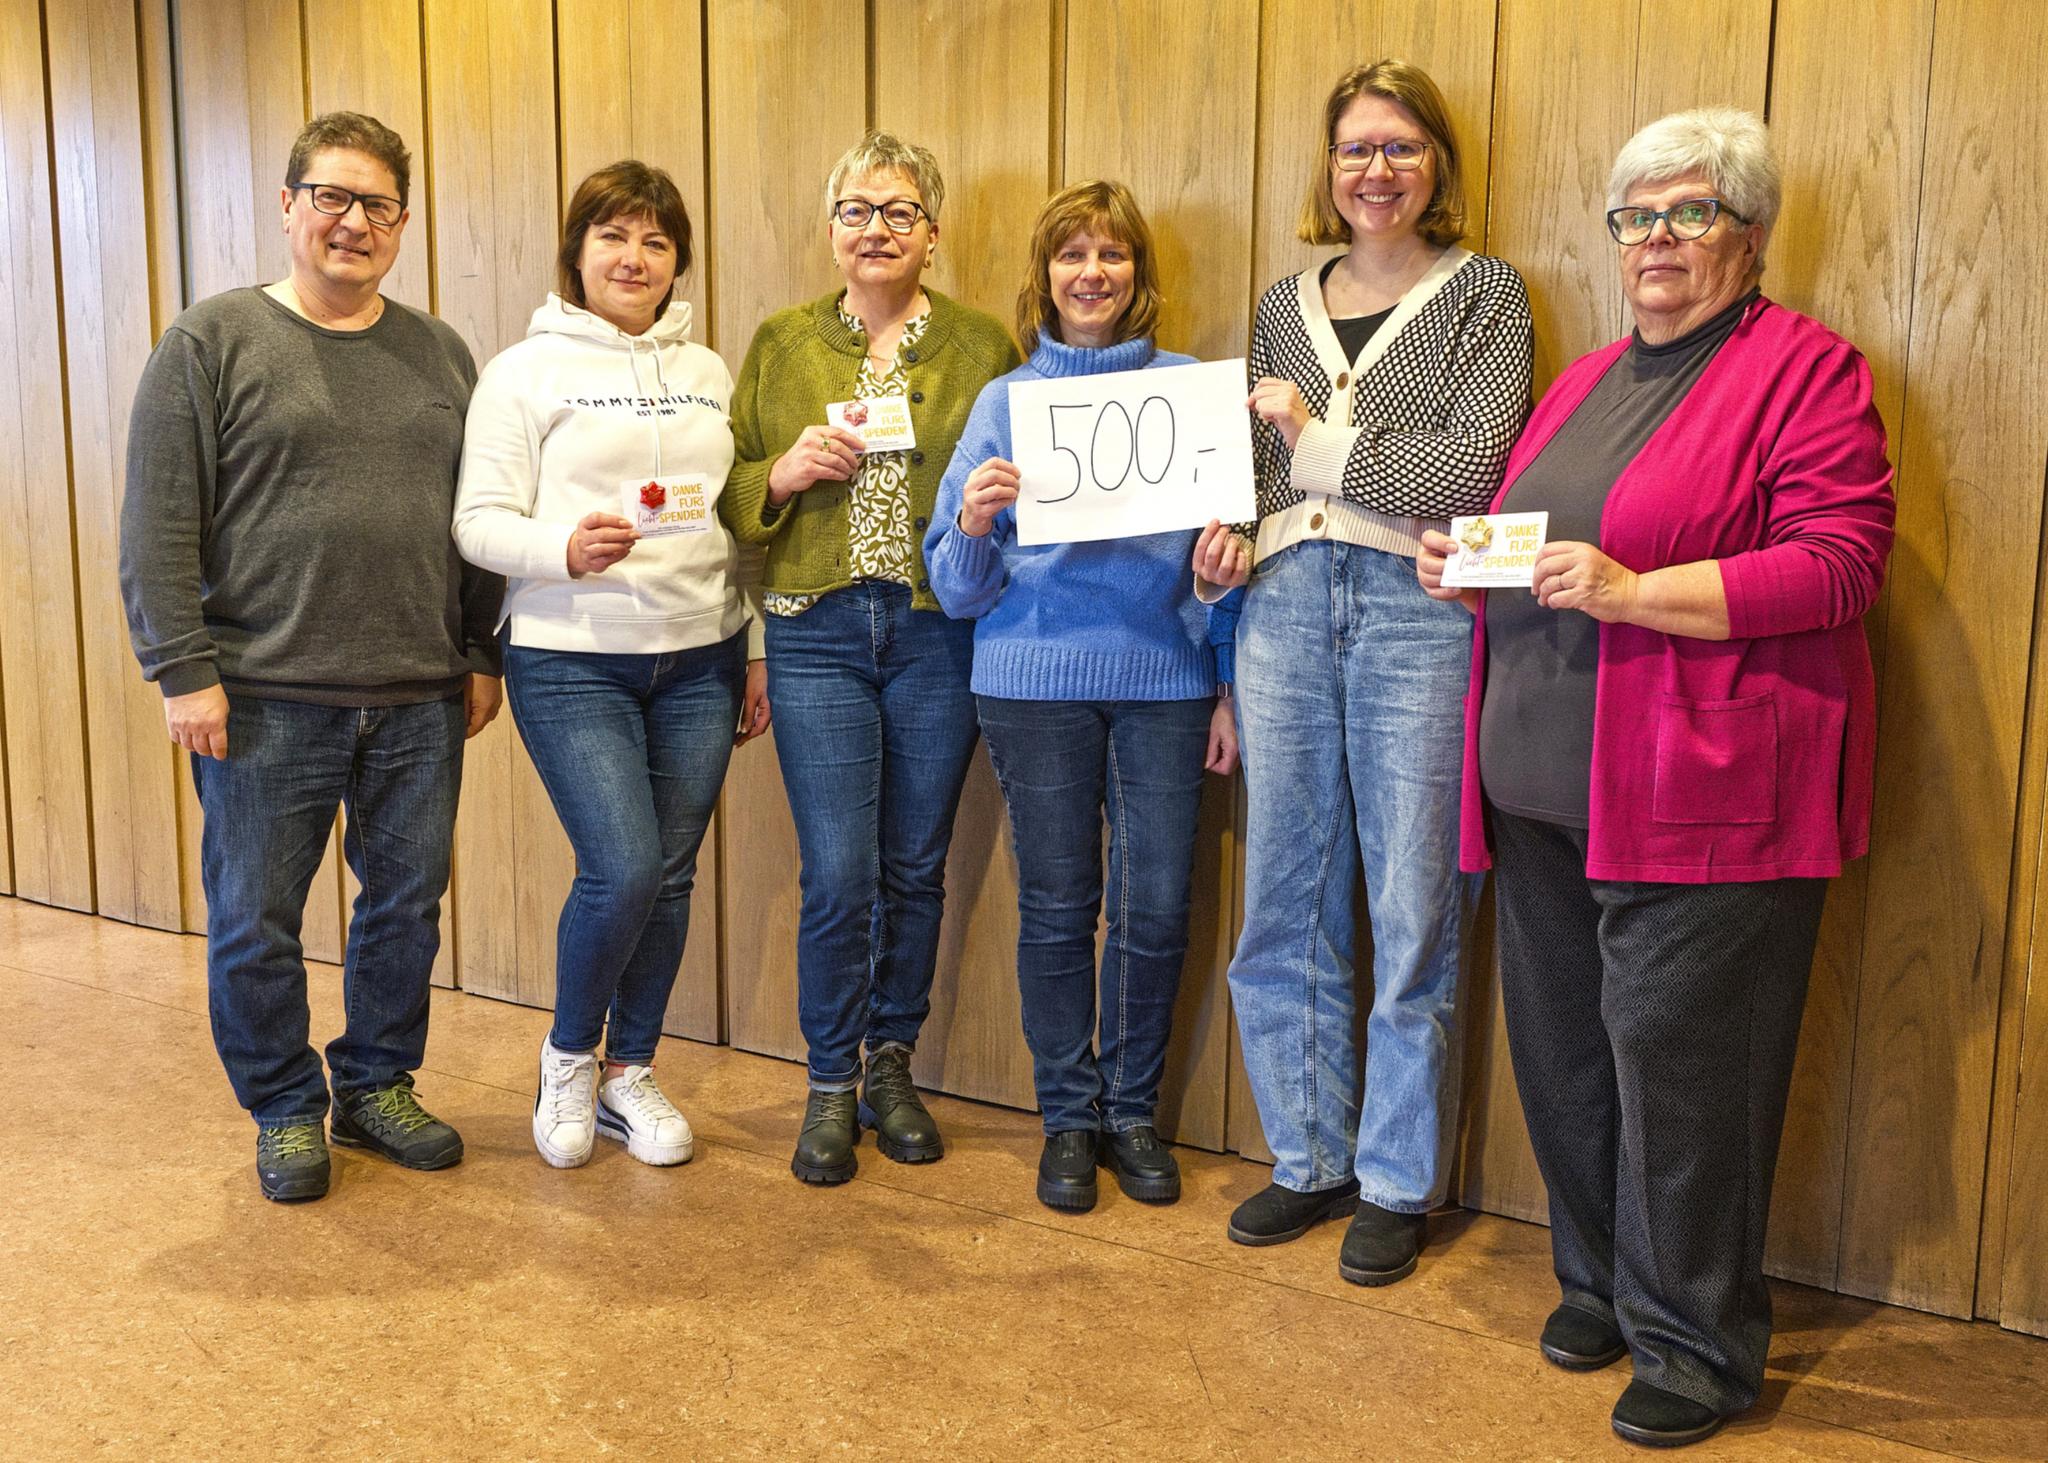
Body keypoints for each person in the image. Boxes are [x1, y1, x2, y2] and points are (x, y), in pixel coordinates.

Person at [1416, 107, 1894, 1448]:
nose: (1658, 241)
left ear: (1750, 232)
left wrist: (1643, 591)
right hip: (1538, 790)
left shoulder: (1807, 372)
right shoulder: (1586, 382)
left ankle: (1696, 1338)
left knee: (1688, 1075)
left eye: (1691, 214)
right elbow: (1540, 548)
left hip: (1700, 795)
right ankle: (1605, 1285)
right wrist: (1467, 568)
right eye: (1637, 216)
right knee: (1567, 1058)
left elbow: (1842, 557)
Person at [119, 112, 502, 1203]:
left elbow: (475, 514)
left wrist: (481, 649)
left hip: (421, 696)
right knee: (256, 921)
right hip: (265, 698)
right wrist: (182, 667)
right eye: (330, 197)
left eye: (376, 204)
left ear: (404, 224)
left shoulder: (439, 352)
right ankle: (285, 1106)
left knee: (403, 906)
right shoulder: (212, 340)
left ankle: (376, 1086)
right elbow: (156, 521)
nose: (352, 221)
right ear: (287, 207)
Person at [1195, 60, 1533, 1282]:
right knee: (1282, 891)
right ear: (1326, 168)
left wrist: (1311, 435)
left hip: (1415, 610)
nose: (1375, 170)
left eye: (1398, 147)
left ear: (1434, 163)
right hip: (1281, 607)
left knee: (1413, 899)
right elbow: (1252, 482)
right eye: (1354, 150)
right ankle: (1307, 1156)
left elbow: (1467, 472)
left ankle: (1393, 1175)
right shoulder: (1282, 303)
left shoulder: (1485, 295)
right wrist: (1222, 539)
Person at [925, 181, 1241, 1213]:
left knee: (1153, 907)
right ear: (1045, 275)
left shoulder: (1191, 392)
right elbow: (955, 586)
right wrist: (972, 520)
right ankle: (1066, 1115)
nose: (1091, 273)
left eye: (1111, 255)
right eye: (1072, 255)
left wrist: (1218, 603)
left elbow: (1228, 568)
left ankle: (1131, 1112)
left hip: (1163, 682)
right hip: (1030, 684)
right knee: (1059, 908)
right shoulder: (1003, 403)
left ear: (1138, 277)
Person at [453, 162, 769, 1172]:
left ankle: (631, 1067)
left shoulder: (711, 371)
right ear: (576, 251)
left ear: (678, 261)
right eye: (613, 237)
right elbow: (475, 522)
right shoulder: (521, 371)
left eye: (655, 242)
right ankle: (565, 1055)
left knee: (669, 877)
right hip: (570, 656)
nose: (633, 259)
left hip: (701, 656)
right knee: (623, 863)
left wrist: (751, 645)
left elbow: (736, 524)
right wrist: (560, 550)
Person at [724, 131, 1021, 1184]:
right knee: (839, 873)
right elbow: (731, 500)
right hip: (816, 632)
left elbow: (1019, 487)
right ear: (830, 228)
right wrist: (781, 469)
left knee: (913, 865)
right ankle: (827, 1083)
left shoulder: (985, 346)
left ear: (932, 233)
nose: (876, 229)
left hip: (938, 629)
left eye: (898, 211)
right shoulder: (782, 342)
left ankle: (890, 1062)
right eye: (857, 209)